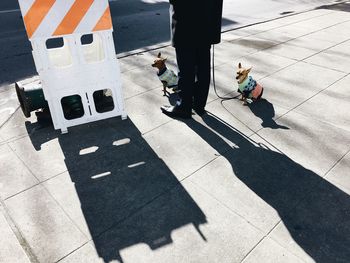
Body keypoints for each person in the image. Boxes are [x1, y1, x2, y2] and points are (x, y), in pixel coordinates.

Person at [161, 0, 224, 119]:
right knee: (203, 65)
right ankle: (199, 104)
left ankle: (184, 107)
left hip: (185, 21)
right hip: (207, 21)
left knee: (186, 68)